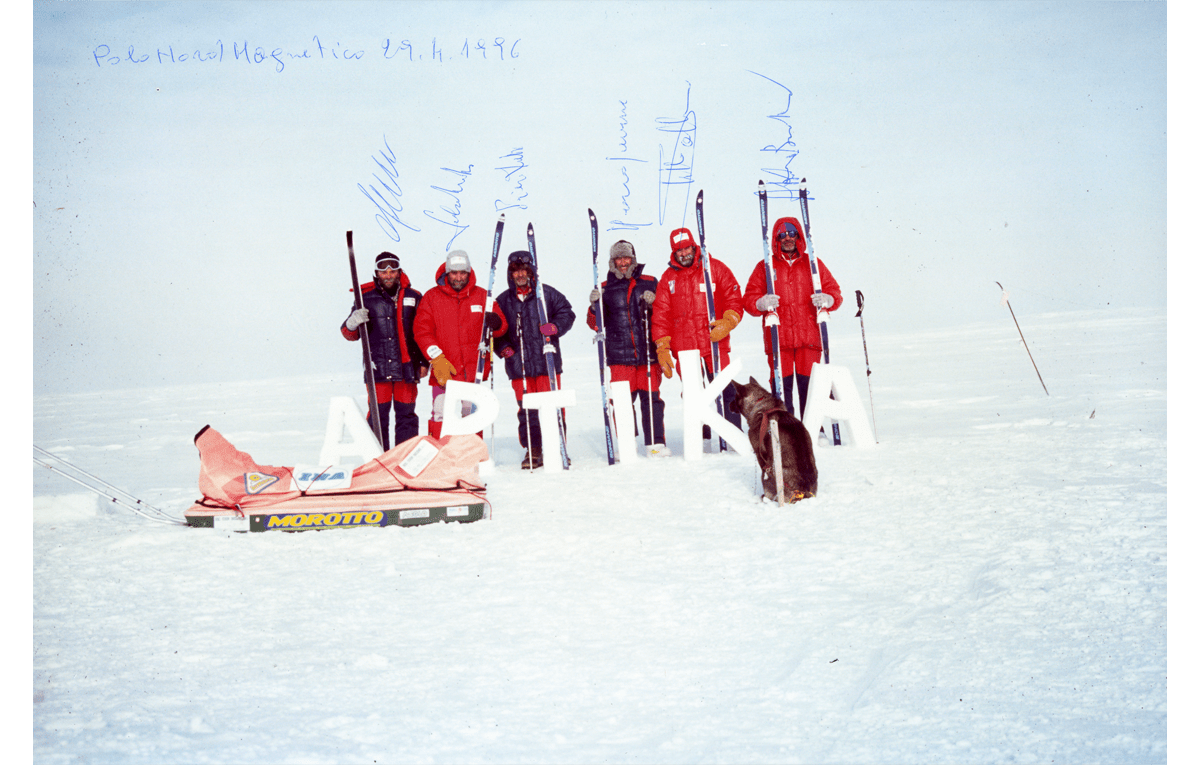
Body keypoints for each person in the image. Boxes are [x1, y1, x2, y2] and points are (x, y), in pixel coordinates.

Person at [651, 227, 745, 440]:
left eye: (686, 249)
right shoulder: (668, 279)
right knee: (694, 395)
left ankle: (733, 436)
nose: (683, 254)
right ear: (673, 253)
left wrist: (729, 321)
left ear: (694, 247)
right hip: (685, 349)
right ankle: (701, 438)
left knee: (726, 389)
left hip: (714, 342)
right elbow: (660, 315)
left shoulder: (715, 268)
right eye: (678, 251)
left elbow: (733, 297)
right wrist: (662, 346)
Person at [742, 217, 843, 416]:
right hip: (779, 339)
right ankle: (788, 428)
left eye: (792, 234)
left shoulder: (813, 264)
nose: (787, 238)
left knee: (810, 387)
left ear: (799, 237)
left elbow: (835, 292)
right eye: (782, 235)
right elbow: (748, 300)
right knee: (782, 389)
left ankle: (815, 428)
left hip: (809, 338)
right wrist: (760, 302)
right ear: (775, 239)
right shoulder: (765, 267)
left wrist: (828, 300)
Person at [493, 250, 576, 469]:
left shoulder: (546, 294)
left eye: (524, 270)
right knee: (526, 409)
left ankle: (558, 447)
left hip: (546, 363)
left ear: (531, 272)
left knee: (554, 407)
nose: (520, 275)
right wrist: (504, 350)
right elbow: (494, 331)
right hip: (518, 366)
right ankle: (534, 449)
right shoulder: (503, 300)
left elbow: (567, 313)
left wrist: (556, 327)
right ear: (510, 274)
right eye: (516, 271)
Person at [585, 240, 669, 457]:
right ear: (612, 262)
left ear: (633, 258)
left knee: (651, 399)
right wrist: (594, 307)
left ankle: (655, 444)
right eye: (618, 259)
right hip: (619, 356)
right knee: (622, 401)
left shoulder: (650, 282)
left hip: (647, 354)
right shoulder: (603, 288)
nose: (623, 263)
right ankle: (626, 443)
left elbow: (664, 312)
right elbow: (595, 324)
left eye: (626, 258)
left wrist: (654, 302)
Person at [413, 250, 507, 439]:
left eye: (462, 273)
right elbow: (422, 331)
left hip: (473, 372)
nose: (458, 277)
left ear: (469, 272)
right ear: (447, 273)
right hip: (444, 371)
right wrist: (436, 357)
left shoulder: (482, 296)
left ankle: (470, 456)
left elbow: (501, 327)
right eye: (454, 273)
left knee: (471, 416)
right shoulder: (431, 298)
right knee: (440, 414)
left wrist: (496, 323)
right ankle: (441, 454)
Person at [340, 251, 428, 449]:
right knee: (378, 417)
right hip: (377, 370)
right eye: (383, 271)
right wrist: (353, 322)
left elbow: (423, 331)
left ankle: (404, 459)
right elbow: (349, 334)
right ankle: (378, 460)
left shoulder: (414, 296)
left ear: (399, 272)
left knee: (406, 415)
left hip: (407, 369)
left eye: (392, 270)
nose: (388, 275)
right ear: (376, 273)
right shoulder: (365, 298)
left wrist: (423, 362)